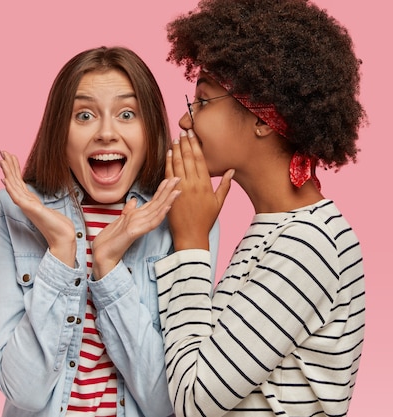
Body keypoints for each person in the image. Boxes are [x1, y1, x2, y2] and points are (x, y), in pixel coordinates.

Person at [0, 46, 219, 416]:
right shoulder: (9, 212)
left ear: (151, 126)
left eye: (127, 114)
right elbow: (22, 392)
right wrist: (60, 253)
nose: (106, 133)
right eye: (85, 115)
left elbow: (167, 401)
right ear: (60, 128)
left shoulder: (184, 212)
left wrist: (107, 268)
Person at [154, 1, 367, 416]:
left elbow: (195, 402)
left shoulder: (309, 245)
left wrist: (191, 244)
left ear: (264, 118)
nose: (183, 120)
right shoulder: (279, 230)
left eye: (202, 101)